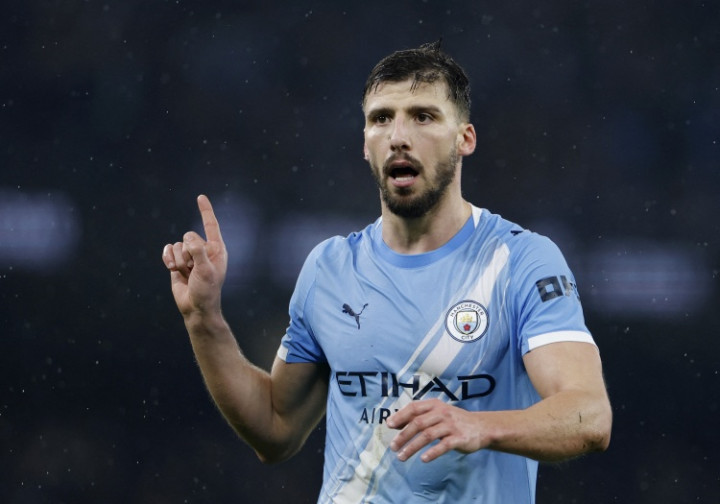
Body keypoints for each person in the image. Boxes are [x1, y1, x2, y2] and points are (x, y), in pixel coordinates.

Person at [162, 41, 612, 503]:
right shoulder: (329, 268)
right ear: (365, 145)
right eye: (381, 118)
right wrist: (204, 319)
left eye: (423, 117)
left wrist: (481, 425)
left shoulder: (520, 261)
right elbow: (276, 429)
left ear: (465, 139)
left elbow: (590, 415)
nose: (398, 136)